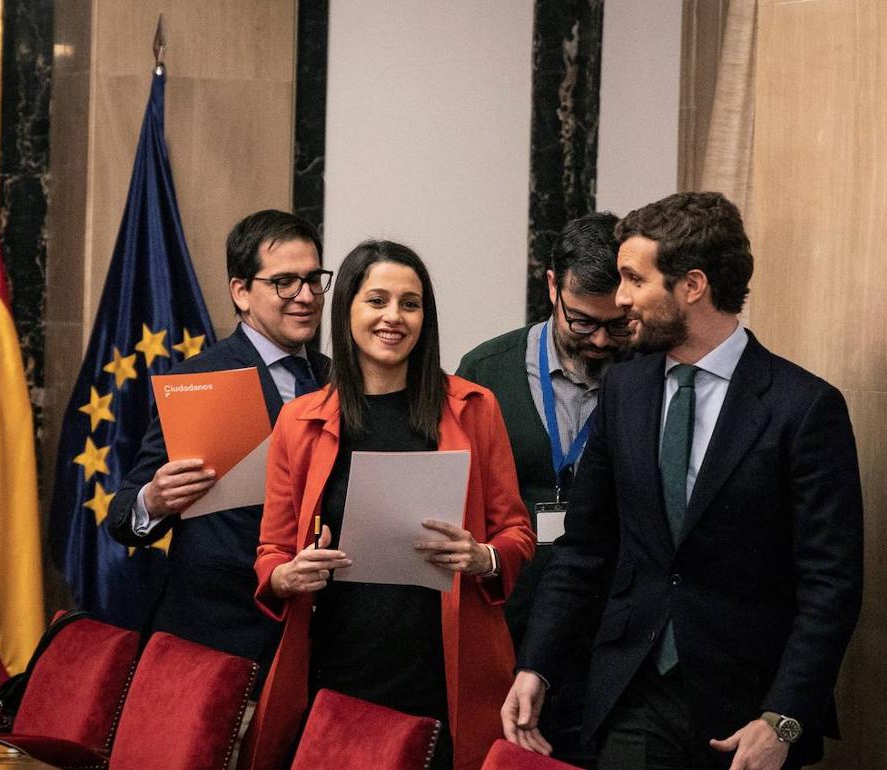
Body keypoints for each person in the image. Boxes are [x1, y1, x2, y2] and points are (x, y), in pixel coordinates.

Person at [503, 192, 864, 770]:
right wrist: (537, 663)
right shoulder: (625, 389)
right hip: (634, 693)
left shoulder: (804, 408)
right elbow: (585, 547)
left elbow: (831, 585)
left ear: (692, 286)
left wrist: (785, 720)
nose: (620, 300)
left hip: (748, 715)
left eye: (633, 279)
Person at [239, 240, 536, 770]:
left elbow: (516, 531)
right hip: (336, 665)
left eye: (410, 303)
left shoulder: (473, 407)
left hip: (444, 669)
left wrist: (483, 556)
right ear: (347, 308)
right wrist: (287, 575)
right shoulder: (302, 420)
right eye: (376, 300)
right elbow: (270, 551)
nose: (393, 317)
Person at [107, 210, 332, 681]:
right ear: (241, 292)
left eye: (314, 280)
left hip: (322, 643)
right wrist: (156, 499)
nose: (306, 297)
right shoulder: (199, 380)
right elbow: (124, 516)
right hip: (220, 639)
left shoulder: (340, 380)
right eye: (285, 282)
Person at [456, 211, 630, 765]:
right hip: (508, 616)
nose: (600, 340)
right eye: (580, 323)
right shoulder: (486, 370)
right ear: (551, 284)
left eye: (615, 324)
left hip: (609, 624)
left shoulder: (647, 375)